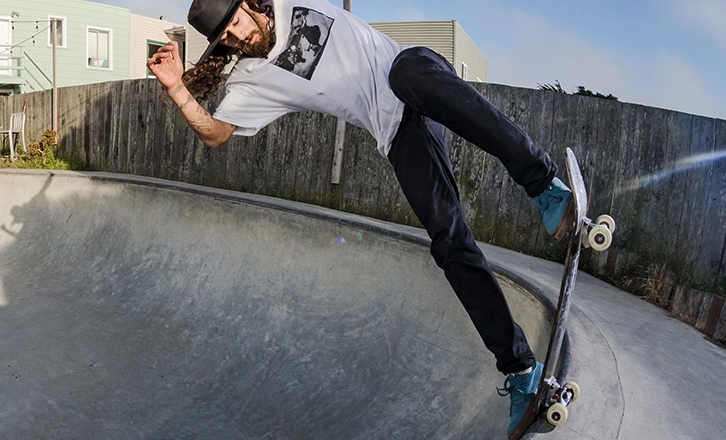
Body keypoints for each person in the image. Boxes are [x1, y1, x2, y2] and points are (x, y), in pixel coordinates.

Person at [147, 0, 575, 434]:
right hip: (398, 133)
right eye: (227, 39)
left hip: (417, 74)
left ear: (252, 4)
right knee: (448, 242)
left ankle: (545, 185)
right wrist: (178, 88)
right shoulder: (250, 80)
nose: (239, 39)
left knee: (403, 73)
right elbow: (216, 133)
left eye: (238, 24)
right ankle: (521, 371)